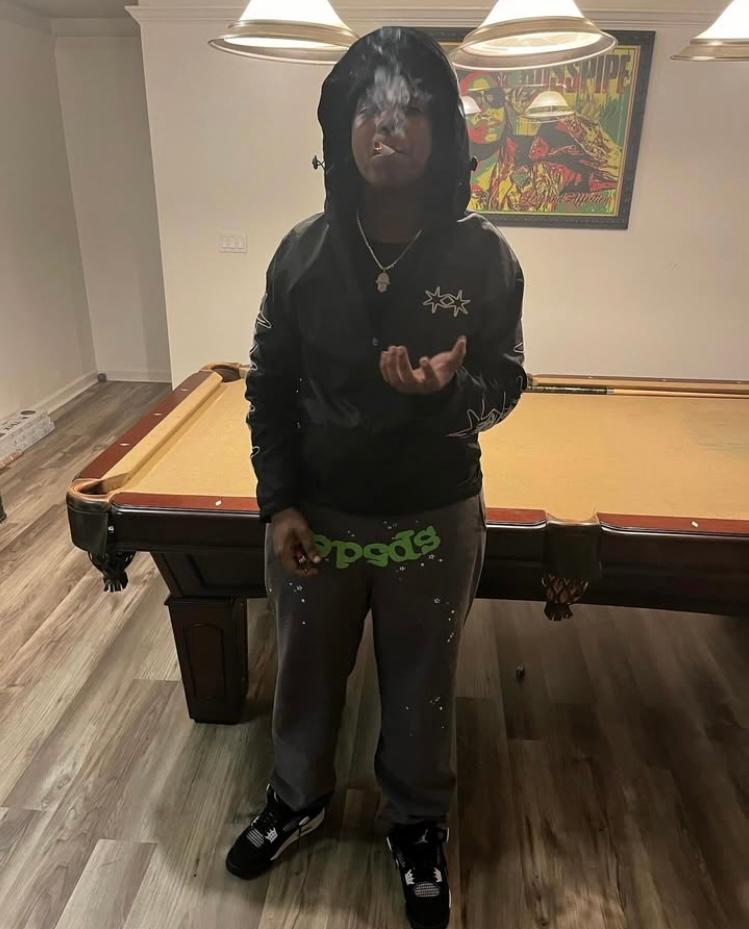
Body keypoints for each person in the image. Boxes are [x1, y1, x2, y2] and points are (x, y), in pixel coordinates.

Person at [227, 27, 527, 929]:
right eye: (366, 106)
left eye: (408, 107)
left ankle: (417, 821)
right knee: (304, 672)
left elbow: (507, 380)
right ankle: (296, 796)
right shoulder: (300, 253)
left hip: (434, 513)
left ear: (442, 132)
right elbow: (267, 384)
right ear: (340, 130)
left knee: (423, 679)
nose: (385, 123)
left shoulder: (484, 258)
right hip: (317, 510)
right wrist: (278, 501)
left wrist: (449, 393)